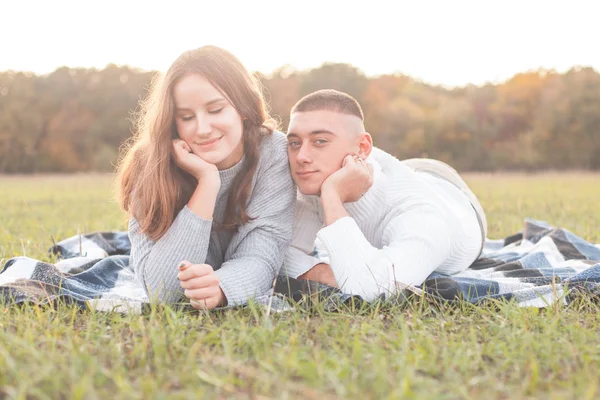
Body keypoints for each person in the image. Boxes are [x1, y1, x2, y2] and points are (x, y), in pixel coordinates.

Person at [116, 46, 296, 309]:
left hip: (234, 275)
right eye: (187, 117)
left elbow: (262, 254)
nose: (202, 129)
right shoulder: (151, 163)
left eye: (216, 110)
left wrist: (222, 287)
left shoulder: (273, 152)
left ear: (243, 107)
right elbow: (162, 291)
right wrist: (208, 183)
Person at [283, 89, 487, 301]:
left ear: (363, 147)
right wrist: (324, 272)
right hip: (390, 168)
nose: (301, 157)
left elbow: (371, 287)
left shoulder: (421, 214)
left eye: (320, 141)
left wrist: (332, 196)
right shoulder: (315, 176)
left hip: (450, 190)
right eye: (295, 143)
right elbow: (274, 252)